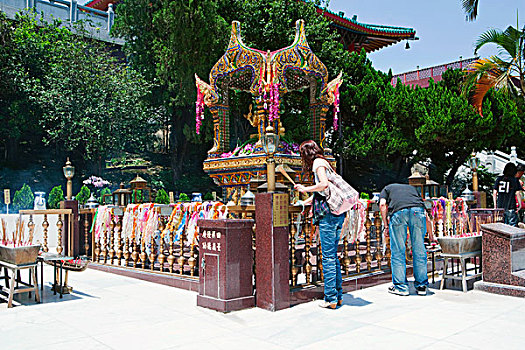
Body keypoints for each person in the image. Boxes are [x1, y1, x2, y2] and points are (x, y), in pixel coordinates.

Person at [294, 140, 346, 309]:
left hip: (328, 216)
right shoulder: (326, 163)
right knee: (333, 256)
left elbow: (323, 184)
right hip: (338, 213)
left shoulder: (318, 163)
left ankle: (330, 298)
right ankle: (337, 296)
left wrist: (304, 189)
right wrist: (305, 202)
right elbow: (323, 192)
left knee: (328, 257)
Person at [379, 183, 429, 296]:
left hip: (398, 212)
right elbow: (426, 213)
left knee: (398, 250)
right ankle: (422, 286)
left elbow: (382, 205)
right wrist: (431, 235)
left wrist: (386, 225)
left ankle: (401, 287)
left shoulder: (386, 189)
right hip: (418, 211)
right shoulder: (412, 189)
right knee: (419, 249)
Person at [493, 162, 522, 227]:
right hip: (510, 206)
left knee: (501, 226)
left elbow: (494, 193)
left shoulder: (499, 179)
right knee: (512, 226)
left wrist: (495, 205)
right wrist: (520, 205)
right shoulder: (515, 180)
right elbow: (517, 193)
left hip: (500, 206)